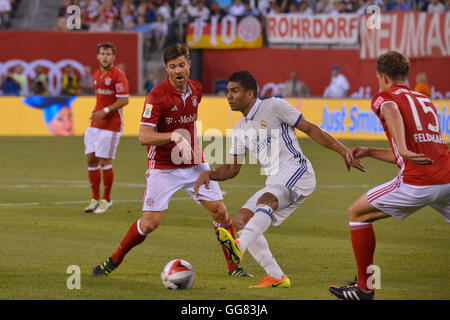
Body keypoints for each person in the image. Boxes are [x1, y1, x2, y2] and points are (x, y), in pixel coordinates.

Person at [92, 43, 252, 278]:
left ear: (189, 64)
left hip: (194, 163)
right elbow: (144, 137)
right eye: (173, 66)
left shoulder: (196, 89)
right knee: (149, 224)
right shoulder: (156, 96)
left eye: (182, 64)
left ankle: (234, 267)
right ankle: (114, 259)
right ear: (167, 68)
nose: (178, 69)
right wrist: (173, 135)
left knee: (219, 211)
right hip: (163, 167)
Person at [194, 70, 365, 288]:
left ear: (250, 94)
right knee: (242, 221)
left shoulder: (274, 106)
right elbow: (231, 168)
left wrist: (343, 151)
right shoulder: (240, 128)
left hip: (297, 170)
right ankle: (276, 276)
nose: (228, 96)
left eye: (234, 91)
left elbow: (311, 129)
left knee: (266, 200)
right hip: (275, 179)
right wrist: (210, 173)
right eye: (227, 91)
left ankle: (239, 247)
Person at [328, 51, 449, 300]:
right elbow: (419, 153)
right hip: (446, 179)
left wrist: (403, 148)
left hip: (417, 183)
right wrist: (371, 151)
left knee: (357, 213)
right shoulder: (425, 100)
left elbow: (391, 110)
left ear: (382, 77)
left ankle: (364, 288)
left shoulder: (385, 97)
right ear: (407, 74)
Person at [83, 42, 129, 214]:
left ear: (113, 57)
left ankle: (107, 200)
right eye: (102, 54)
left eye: (108, 54)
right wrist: (98, 111)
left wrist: (106, 111)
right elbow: (100, 99)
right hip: (96, 123)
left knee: (104, 161)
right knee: (91, 159)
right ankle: (95, 199)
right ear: (97, 56)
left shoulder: (118, 75)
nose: (105, 57)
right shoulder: (96, 75)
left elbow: (124, 100)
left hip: (112, 125)